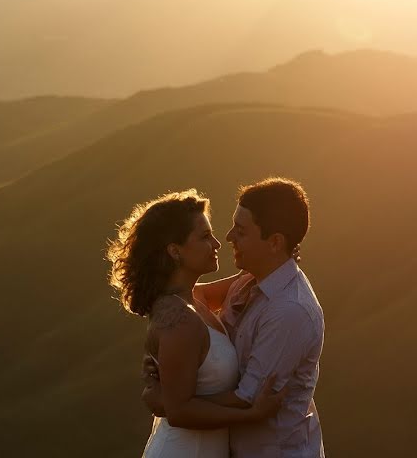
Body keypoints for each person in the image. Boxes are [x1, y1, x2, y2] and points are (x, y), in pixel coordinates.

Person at [144, 177, 325, 457]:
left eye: (240, 231)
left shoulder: (289, 311)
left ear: (275, 242)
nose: (227, 237)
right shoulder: (248, 281)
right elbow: (187, 298)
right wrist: (166, 353)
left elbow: (249, 399)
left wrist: (166, 399)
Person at [107, 189, 286, 458]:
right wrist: (252, 414)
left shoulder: (192, 298)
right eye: (204, 237)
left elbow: (244, 282)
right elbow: (179, 412)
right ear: (175, 251)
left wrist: (277, 258)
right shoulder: (181, 320)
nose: (216, 243)